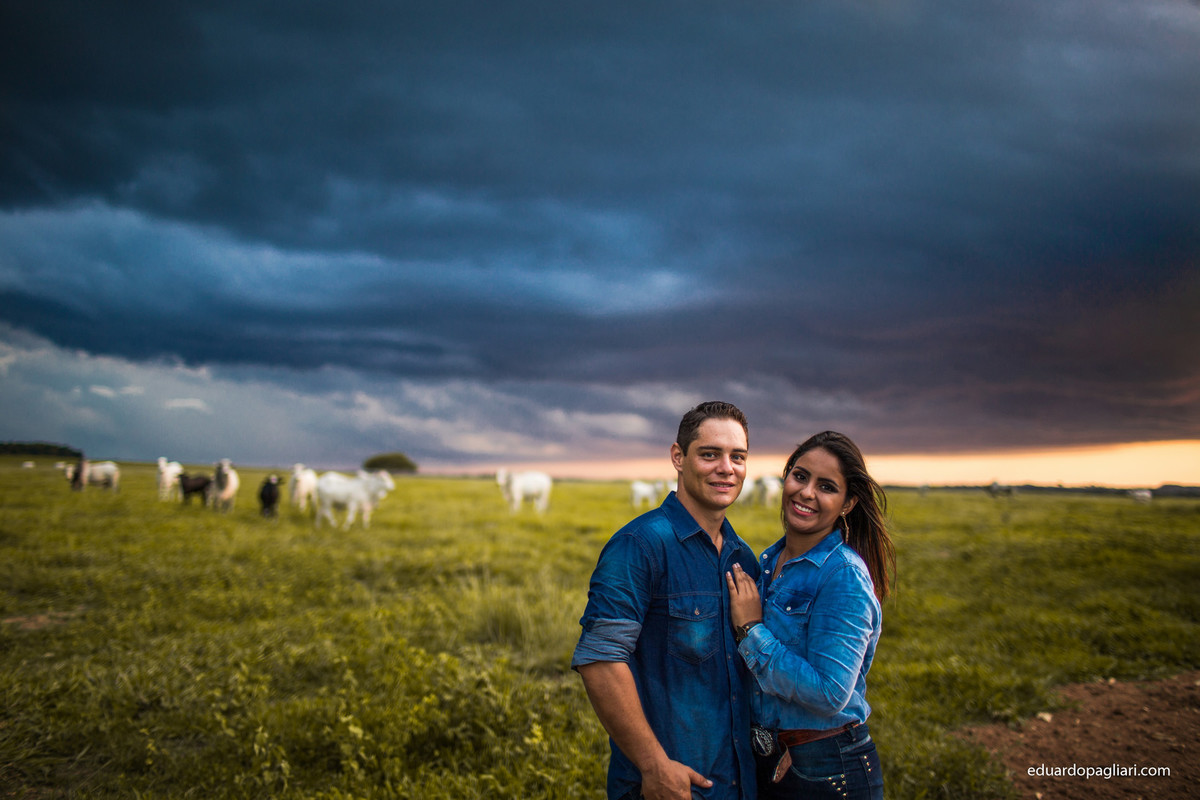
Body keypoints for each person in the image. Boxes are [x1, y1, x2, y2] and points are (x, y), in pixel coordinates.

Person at [573, 401, 762, 800]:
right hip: (667, 787)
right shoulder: (639, 545)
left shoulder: (743, 559)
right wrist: (654, 766)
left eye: (737, 456)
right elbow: (601, 660)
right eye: (709, 454)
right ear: (678, 457)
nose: (726, 468)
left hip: (736, 783)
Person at [726, 431, 896, 800]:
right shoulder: (770, 563)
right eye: (800, 476)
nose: (806, 492)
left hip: (826, 767)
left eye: (827, 487)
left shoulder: (842, 575)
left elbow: (830, 691)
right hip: (772, 760)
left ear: (848, 503)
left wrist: (751, 629)